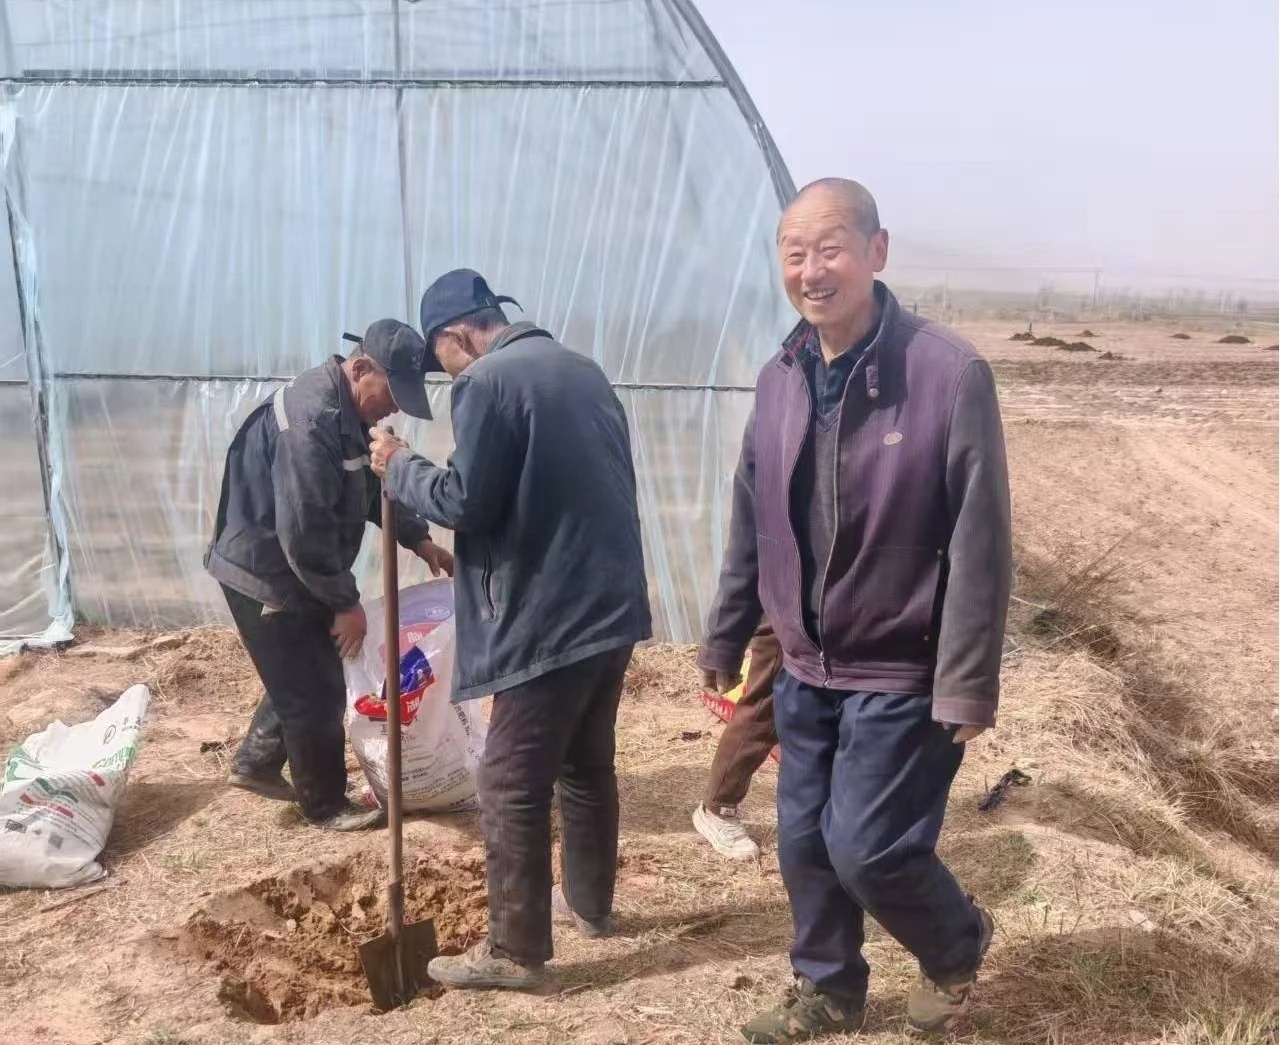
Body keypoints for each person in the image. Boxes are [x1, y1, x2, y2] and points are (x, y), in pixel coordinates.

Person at [698, 179, 1012, 1043]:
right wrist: (727, 632)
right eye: (794, 253)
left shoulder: (948, 374)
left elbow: (982, 542)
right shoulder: (781, 377)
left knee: (867, 848)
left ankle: (956, 938)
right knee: (803, 842)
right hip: (805, 666)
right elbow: (752, 518)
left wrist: (966, 686)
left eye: (830, 248)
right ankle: (828, 987)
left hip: (901, 666)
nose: (811, 270)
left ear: (877, 251)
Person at [368, 268, 652, 991]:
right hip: (610, 605)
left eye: (445, 358)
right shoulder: (581, 370)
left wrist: (401, 468)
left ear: (456, 335)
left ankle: (515, 948)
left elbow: (467, 502)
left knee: (507, 781)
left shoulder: (487, 382)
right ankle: (589, 903)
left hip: (546, 614)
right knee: (586, 764)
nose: (449, 373)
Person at [206, 319, 455, 832]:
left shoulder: (348, 413)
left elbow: (371, 480)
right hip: (266, 570)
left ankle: (255, 763)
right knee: (316, 691)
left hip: (294, 565)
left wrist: (417, 536)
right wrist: (346, 603)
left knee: (302, 666)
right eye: (391, 392)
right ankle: (324, 806)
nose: (395, 407)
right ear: (360, 368)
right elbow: (303, 527)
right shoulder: (310, 422)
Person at [692, 621, 781, 861]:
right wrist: (722, 648)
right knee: (765, 706)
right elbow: (741, 584)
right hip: (792, 612)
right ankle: (719, 807)